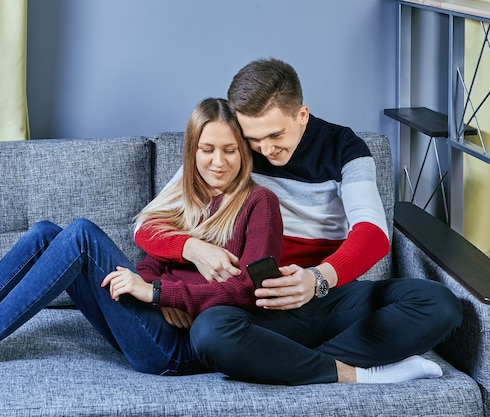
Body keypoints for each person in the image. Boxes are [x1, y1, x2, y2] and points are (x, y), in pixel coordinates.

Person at [0, 97, 283, 380]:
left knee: (80, 235)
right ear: (192, 151)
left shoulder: (259, 203)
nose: (218, 161)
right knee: (44, 234)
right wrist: (150, 286)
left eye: (230, 150)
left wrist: (161, 294)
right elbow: (151, 257)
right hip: (152, 323)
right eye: (208, 149)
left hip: (177, 351)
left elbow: (248, 291)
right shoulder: (189, 198)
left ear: (244, 153)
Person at [135, 58, 463, 385]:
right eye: (254, 139)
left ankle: (279, 360)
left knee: (439, 304)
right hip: (256, 306)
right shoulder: (232, 149)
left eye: (275, 134)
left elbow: (373, 233)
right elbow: (148, 225)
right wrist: (191, 248)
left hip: (326, 297)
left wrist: (317, 279)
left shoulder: (345, 149)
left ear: (301, 114)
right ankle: (356, 373)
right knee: (210, 332)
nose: (265, 148)